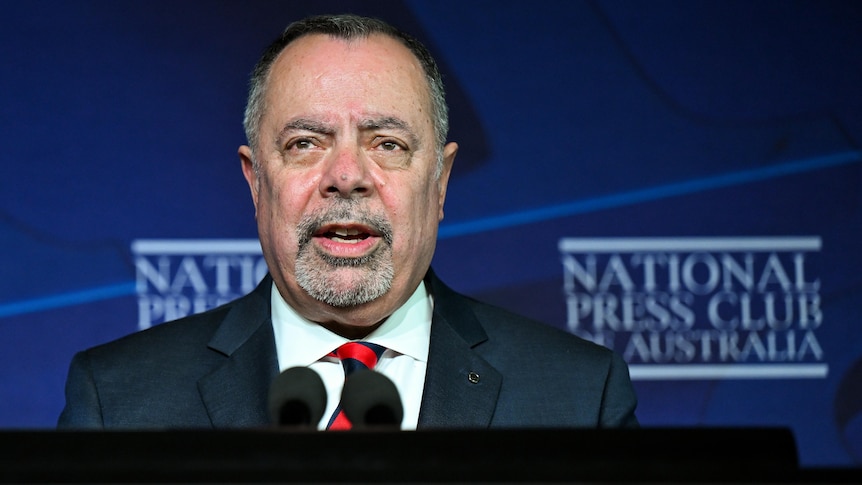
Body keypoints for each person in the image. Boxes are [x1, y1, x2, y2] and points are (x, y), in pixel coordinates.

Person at [58, 13, 638, 429]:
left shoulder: (579, 399)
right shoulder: (120, 401)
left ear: (439, 181)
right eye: (306, 142)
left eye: (387, 144)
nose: (346, 175)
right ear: (256, 180)